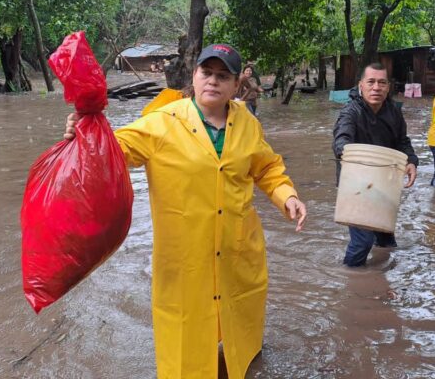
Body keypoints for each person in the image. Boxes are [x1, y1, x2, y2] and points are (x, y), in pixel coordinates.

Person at [63, 43, 307, 379]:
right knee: (186, 338)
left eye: (223, 76)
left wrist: (287, 196)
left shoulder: (248, 124)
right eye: (206, 73)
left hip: (238, 250)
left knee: (240, 327)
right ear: (194, 76)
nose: (213, 81)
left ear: (236, 85)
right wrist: (84, 134)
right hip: (185, 257)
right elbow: (114, 149)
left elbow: (266, 168)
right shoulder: (162, 123)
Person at [333, 62, 418, 267]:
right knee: (363, 241)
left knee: (386, 239)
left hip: (385, 184)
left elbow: (402, 142)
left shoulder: (394, 112)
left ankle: (383, 274)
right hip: (356, 186)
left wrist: (411, 161)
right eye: (371, 82)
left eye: (381, 83)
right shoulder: (350, 113)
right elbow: (341, 142)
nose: (376, 87)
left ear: (388, 87)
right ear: (361, 85)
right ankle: (352, 280)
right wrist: (354, 155)